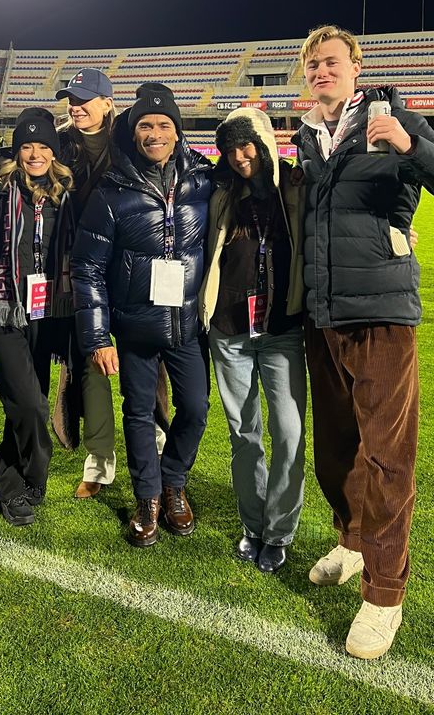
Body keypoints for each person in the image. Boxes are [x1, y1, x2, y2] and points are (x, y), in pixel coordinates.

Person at [294, 24, 434, 660]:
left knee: (386, 457)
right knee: (338, 449)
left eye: (332, 63)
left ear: (356, 66)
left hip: (380, 311)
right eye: (313, 65)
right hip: (324, 315)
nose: (322, 72)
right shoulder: (307, 136)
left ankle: (384, 595)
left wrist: (409, 144)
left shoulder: (392, 114)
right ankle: (352, 543)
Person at [71, 87, 212, 547]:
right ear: (134, 134)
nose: (154, 133)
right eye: (145, 126)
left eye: (163, 125)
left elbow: (261, 188)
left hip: (187, 324)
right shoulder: (111, 192)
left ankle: (174, 481)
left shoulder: (202, 181)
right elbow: (87, 267)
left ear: (177, 131)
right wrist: (97, 338)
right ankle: (149, 497)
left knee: (194, 407)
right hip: (134, 327)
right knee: (138, 412)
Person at [200, 107, 306, 573]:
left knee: (288, 433)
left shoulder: (297, 188)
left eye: (247, 145)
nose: (240, 156)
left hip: (282, 329)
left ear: (264, 144)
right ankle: (254, 526)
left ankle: (279, 530)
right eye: (231, 148)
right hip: (229, 329)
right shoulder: (221, 191)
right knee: (245, 434)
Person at [0, 108, 74, 526]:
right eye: (27, 146)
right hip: (2, 311)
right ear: (16, 151)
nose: (34, 154)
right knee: (29, 405)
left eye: (43, 146)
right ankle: (28, 479)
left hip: (44, 314)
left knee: (26, 404)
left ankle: (15, 487)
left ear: (54, 152)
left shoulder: (64, 195)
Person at [54, 68, 118, 497]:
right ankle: (99, 461)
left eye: (84, 99)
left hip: (130, 264)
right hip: (80, 267)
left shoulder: (130, 139)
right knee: (90, 360)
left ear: (107, 103)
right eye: (71, 99)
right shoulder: (60, 142)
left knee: (145, 367)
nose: (75, 106)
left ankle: (154, 441)